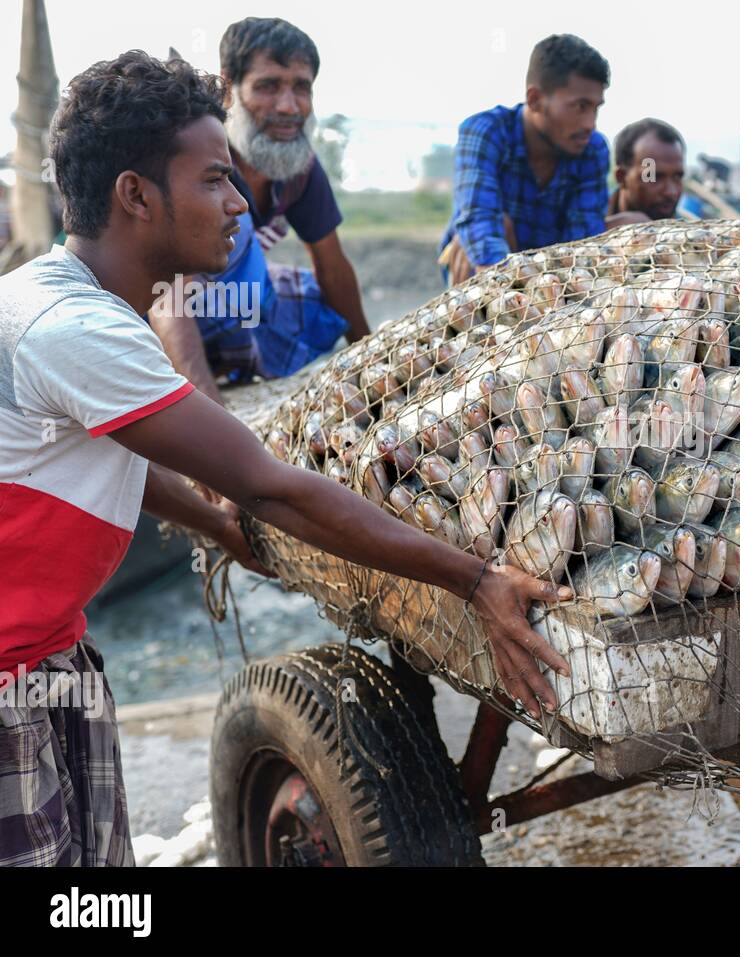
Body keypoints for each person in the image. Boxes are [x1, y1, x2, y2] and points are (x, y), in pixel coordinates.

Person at [0, 52, 569, 868]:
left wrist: (213, 525)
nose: (238, 204)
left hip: (52, 645)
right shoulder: (82, 332)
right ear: (135, 196)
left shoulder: (51, 293)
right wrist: (475, 580)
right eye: (212, 182)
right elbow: (275, 488)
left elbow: (113, 450)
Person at [151, 18, 370, 400]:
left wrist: (372, 357)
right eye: (268, 87)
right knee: (239, 227)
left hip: (224, 305)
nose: (288, 106)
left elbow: (332, 265)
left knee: (315, 298)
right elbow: (168, 297)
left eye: (301, 88)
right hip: (154, 310)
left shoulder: (297, 167)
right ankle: (187, 375)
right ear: (228, 90)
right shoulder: (198, 155)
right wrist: (210, 414)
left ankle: (226, 363)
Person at [441, 34, 610, 285]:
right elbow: (480, 220)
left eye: (596, 108)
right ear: (535, 100)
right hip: (490, 267)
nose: (590, 124)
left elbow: (583, 243)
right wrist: (513, 291)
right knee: (478, 235)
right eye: (579, 106)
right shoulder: (486, 131)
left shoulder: (592, 148)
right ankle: (476, 317)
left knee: (627, 227)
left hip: (551, 271)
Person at [607, 118, 686, 222]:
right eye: (653, 177)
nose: (671, 192)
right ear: (621, 177)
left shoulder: (695, 235)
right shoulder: (586, 226)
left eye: (677, 177)